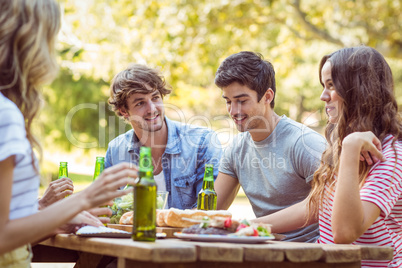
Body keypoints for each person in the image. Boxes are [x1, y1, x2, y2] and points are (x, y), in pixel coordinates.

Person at [0, 0, 137, 265]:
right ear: (31, 41)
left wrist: (54, 222)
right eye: (52, 38)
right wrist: (83, 198)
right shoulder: (5, 115)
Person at [255, 46, 402, 267]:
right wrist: (245, 225)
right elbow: (316, 206)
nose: (323, 96)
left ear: (359, 90)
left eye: (331, 86)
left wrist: (350, 150)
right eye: (324, 86)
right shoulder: (350, 144)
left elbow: (344, 233)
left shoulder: (389, 155)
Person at [214, 51, 327, 242]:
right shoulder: (236, 149)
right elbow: (213, 207)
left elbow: (324, 203)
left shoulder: (304, 143)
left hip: (311, 252)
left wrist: (250, 226)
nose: (233, 111)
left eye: (241, 101)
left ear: (267, 96)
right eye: (228, 102)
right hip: (267, 250)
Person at [105, 64, 222, 209]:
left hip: (185, 232)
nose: (152, 109)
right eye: (140, 103)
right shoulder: (115, 150)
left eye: (155, 98)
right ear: (124, 111)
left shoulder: (202, 142)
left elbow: (207, 210)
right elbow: (106, 209)